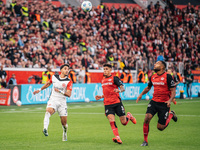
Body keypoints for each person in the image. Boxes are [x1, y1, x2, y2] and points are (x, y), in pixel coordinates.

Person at [136, 61, 177, 146]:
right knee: (147, 118)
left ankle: (171, 115)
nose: (154, 64)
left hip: (164, 103)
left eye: (157, 64)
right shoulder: (152, 76)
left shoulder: (168, 77)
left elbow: (173, 91)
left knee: (160, 128)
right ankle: (145, 141)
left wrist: (169, 100)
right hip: (154, 102)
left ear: (162, 67)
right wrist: (140, 94)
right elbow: (148, 87)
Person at [95, 63, 136, 144]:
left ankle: (129, 116)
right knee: (111, 119)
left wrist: (119, 90)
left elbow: (123, 88)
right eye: (104, 69)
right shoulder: (102, 80)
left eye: (107, 69)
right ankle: (117, 137)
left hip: (117, 103)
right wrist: (101, 96)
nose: (105, 71)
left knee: (123, 122)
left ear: (110, 70)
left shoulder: (115, 78)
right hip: (107, 104)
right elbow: (107, 92)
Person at [33, 64, 73, 141]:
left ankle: (64, 133)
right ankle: (45, 128)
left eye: (68, 69)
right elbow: (48, 83)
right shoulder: (54, 77)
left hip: (62, 103)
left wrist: (60, 91)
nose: (67, 70)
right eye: (65, 69)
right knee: (48, 111)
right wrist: (39, 90)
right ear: (61, 70)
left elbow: (69, 94)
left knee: (64, 124)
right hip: (53, 99)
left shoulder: (69, 81)